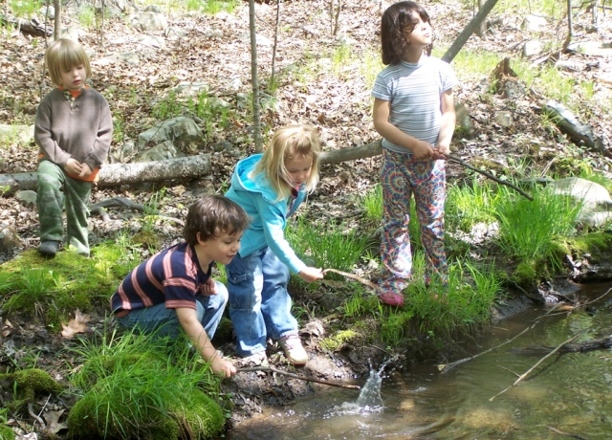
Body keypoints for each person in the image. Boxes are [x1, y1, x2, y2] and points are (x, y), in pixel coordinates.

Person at [371, 1, 458, 307]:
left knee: (433, 223)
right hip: (397, 163)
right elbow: (381, 122)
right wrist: (411, 144)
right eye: (415, 23)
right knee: (396, 222)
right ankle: (395, 281)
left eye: (425, 20)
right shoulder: (389, 77)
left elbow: (448, 112)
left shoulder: (440, 70)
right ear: (398, 35)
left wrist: (443, 141)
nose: (425, 25)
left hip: (432, 165)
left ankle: (438, 280)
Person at [110, 195, 250, 378]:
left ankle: (192, 349)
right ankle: (171, 351)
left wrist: (202, 284)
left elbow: (192, 282)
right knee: (194, 311)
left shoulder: (204, 255)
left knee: (220, 292)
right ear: (202, 238)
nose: (236, 247)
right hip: (132, 314)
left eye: (238, 240)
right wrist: (215, 361)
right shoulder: (180, 267)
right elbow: (187, 319)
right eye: (228, 242)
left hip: (159, 302)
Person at [224, 125, 324, 366]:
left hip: (263, 238)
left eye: (306, 169)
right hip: (241, 244)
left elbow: (277, 226)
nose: (300, 175)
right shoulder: (266, 191)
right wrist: (300, 268)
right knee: (249, 292)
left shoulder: (291, 182)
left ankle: (285, 331)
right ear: (276, 165)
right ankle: (252, 346)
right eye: (293, 170)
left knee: (276, 280)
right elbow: (274, 236)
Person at [34, 38, 113, 258]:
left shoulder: (97, 101)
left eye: (79, 68)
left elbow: (104, 136)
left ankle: (79, 250)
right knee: (47, 182)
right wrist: (63, 160)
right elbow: (42, 135)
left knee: (79, 208)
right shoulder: (50, 102)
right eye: (68, 71)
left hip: (83, 167)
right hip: (55, 161)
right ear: (57, 74)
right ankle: (50, 237)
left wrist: (91, 163)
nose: (76, 74)